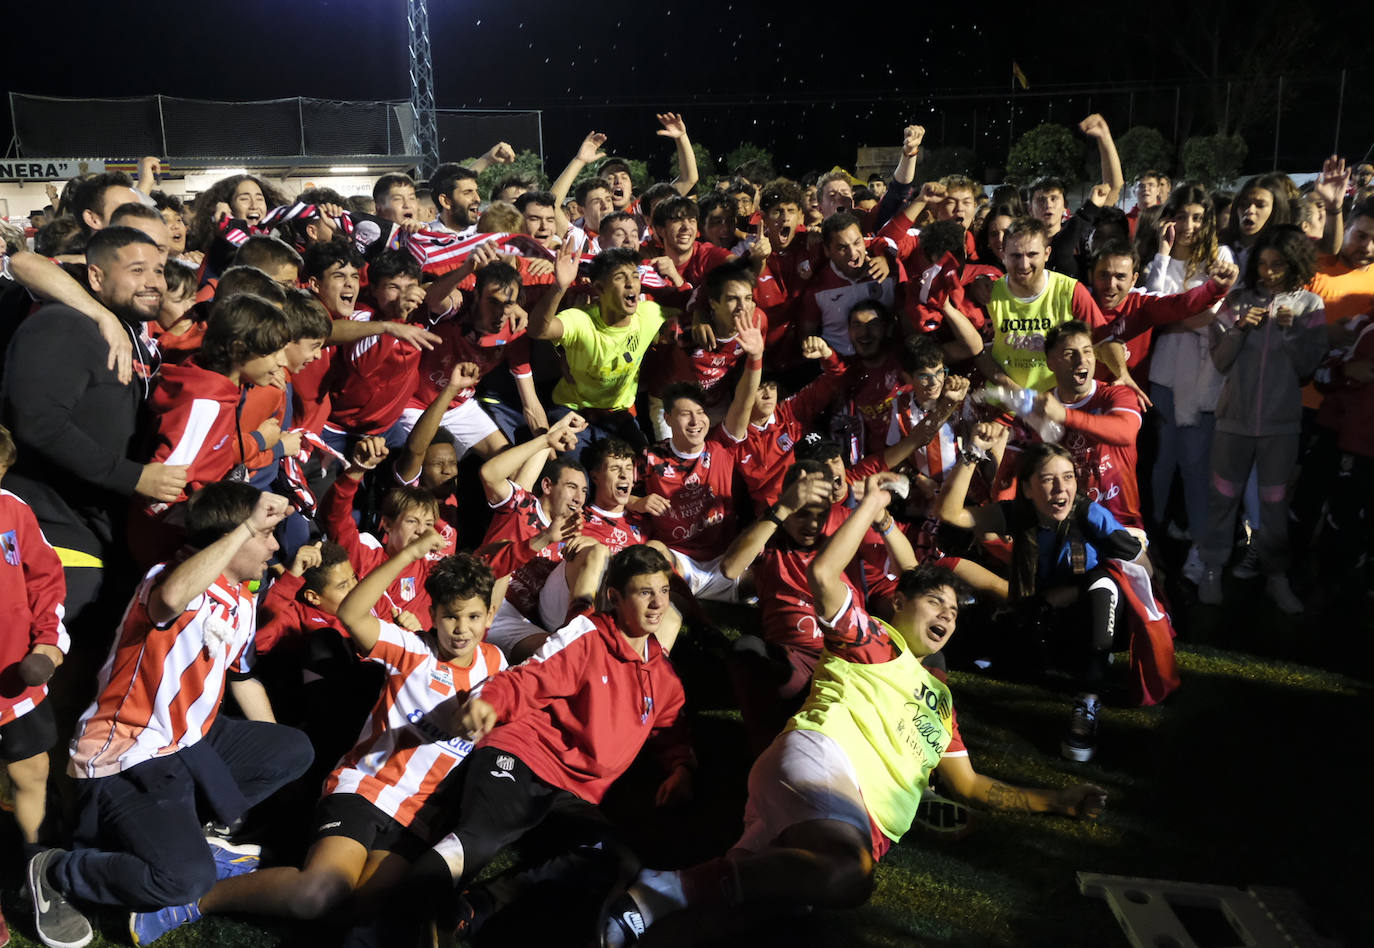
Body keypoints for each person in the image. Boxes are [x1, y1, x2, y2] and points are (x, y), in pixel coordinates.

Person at [604, 476, 1106, 946]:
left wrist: (1057, 801)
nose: (946, 616)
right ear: (898, 606)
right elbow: (823, 573)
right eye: (934, 603)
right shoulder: (876, 641)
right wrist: (872, 505)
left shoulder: (943, 702)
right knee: (849, 876)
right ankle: (664, 886)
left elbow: (973, 787)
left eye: (953, 612)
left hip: (855, 817)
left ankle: (633, 911)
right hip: (824, 766)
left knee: (748, 914)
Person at [129, 538, 508, 944]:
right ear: (432, 613)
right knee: (319, 894)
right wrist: (409, 555)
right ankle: (195, 902)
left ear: (489, 616)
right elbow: (351, 612)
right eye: (451, 616)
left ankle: (254, 862)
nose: (461, 628)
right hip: (364, 790)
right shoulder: (411, 649)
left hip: (416, 820)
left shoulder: (498, 665)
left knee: (355, 914)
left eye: (472, 616)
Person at [28, 485, 312, 948]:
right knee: (183, 882)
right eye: (266, 536)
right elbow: (173, 597)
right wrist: (245, 525)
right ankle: (57, 870)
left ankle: (188, 834)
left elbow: (242, 677)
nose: (277, 547)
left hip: (187, 743)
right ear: (233, 539)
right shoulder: (171, 574)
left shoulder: (241, 596)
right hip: (126, 752)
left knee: (292, 750)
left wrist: (260, 781)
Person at [424, 544, 693, 943]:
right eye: (644, 592)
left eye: (663, 591)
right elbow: (528, 677)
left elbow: (669, 726)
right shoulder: (587, 636)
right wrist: (489, 703)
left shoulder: (663, 673)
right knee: (482, 835)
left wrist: (681, 767)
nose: (657, 604)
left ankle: (476, 906)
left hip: (574, 794)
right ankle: (410, 909)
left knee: (615, 858)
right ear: (615, 598)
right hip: (524, 756)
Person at [936, 435, 1177, 761]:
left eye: (1067, 478)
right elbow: (951, 514)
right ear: (1027, 489)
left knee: (1103, 583)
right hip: (1045, 619)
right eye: (1048, 480)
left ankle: (1087, 701)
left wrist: (1069, 593)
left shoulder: (1089, 514)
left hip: (1099, 618)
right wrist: (970, 454)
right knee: (972, 649)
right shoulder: (1018, 513)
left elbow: (1140, 566)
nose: (1060, 489)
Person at [1197, 226, 1327, 614]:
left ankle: (1276, 577)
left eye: (1279, 265)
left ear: (1295, 265)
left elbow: (1308, 367)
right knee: (1221, 499)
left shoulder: (1310, 305)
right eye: (1264, 265)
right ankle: (1211, 570)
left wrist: (1291, 333)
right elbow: (1219, 360)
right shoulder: (1236, 302)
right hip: (1233, 422)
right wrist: (1239, 329)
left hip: (1281, 426)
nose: (1270, 273)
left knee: (1274, 506)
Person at [0, 425, 69, 882]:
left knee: (32, 770)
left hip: (14, 683)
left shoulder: (12, 510)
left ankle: (32, 861)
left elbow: (44, 578)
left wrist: (47, 640)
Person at [528, 244, 670, 452]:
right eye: (620, 278)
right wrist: (559, 287)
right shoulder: (580, 320)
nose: (631, 284)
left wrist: (678, 283)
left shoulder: (650, 314)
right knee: (575, 478)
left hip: (618, 414)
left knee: (644, 467)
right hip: (572, 410)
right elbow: (538, 331)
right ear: (600, 288)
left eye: (635, 276)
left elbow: (690, 309)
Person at [976, 217, 1106, 392]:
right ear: (1003, 255)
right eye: (1015, 255)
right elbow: (977, 351)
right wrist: (1013, 390)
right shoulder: (988, 292)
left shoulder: (1071, 291)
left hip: (1056, 403)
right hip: (1005, 403)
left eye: (1032, 254)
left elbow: (1103, 340)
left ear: (1047, 253)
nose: (1023, 264)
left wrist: (1122, 375)